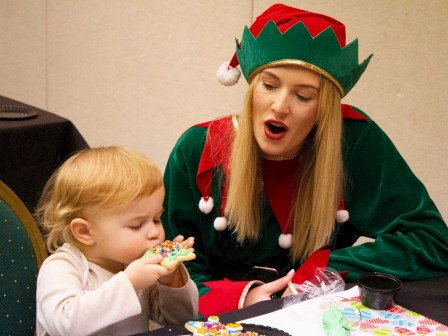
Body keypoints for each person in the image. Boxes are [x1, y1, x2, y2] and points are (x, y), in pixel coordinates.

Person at [161, 3, 448, 317]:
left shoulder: (352, 141)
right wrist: (245, 298)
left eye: (303, 96)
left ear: (323, 108)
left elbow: (432, 241)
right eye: (269, 86)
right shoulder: (198, 150)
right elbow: (172, 271)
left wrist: (326, 268)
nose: (280, 106)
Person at [35, 146, 198, 336]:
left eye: (156, 219)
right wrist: (129, 283)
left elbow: (181, 321)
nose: (155, 232)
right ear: (85, 231)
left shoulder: (135, 263)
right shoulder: (62, 266)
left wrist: (171, 280)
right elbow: (64, 325)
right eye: (137, 225)